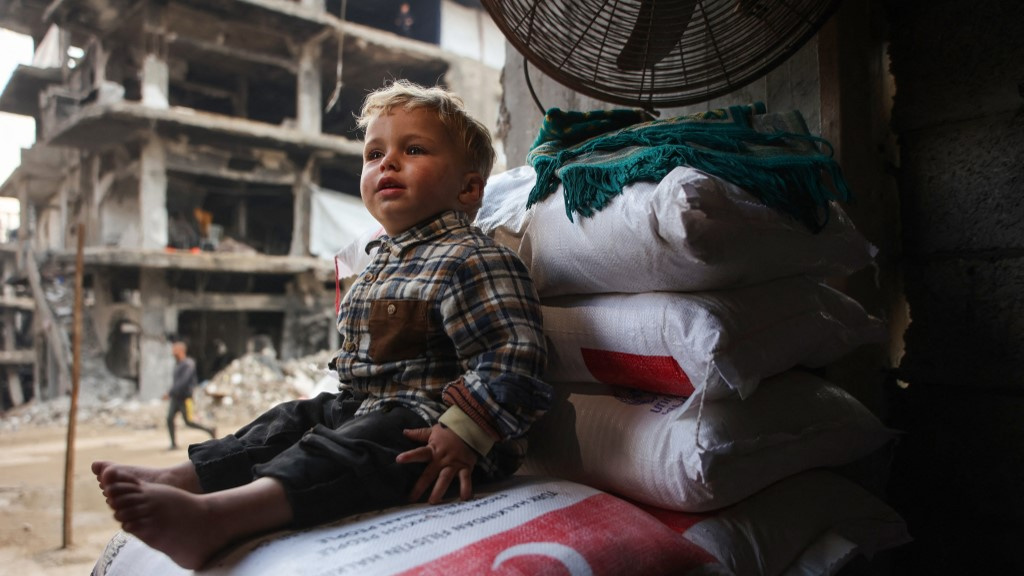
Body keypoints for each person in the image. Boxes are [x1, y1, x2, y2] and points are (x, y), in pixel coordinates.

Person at [92, 80, 551, 570]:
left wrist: (465, 432)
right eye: (374, 154)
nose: (387, 163)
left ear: (468, 187)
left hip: (433, 438)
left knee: (349, 449)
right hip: (363, 409)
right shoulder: (379, 263)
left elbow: (514, 355)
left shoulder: (472, 258)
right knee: (291, 419)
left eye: (412, 149)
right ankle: (185, 479)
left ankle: (220, 518)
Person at [166, 341, 216, 450]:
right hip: (176, 398)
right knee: (169, 419)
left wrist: (170, 392)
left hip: (185, 398)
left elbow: (183, 382)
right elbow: (177, 382)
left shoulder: (188, 364)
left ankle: (210, 430)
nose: (172, 352)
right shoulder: (178, 364)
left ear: (180, 351)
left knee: (189, 421)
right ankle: (173, 444)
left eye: (174, 350)